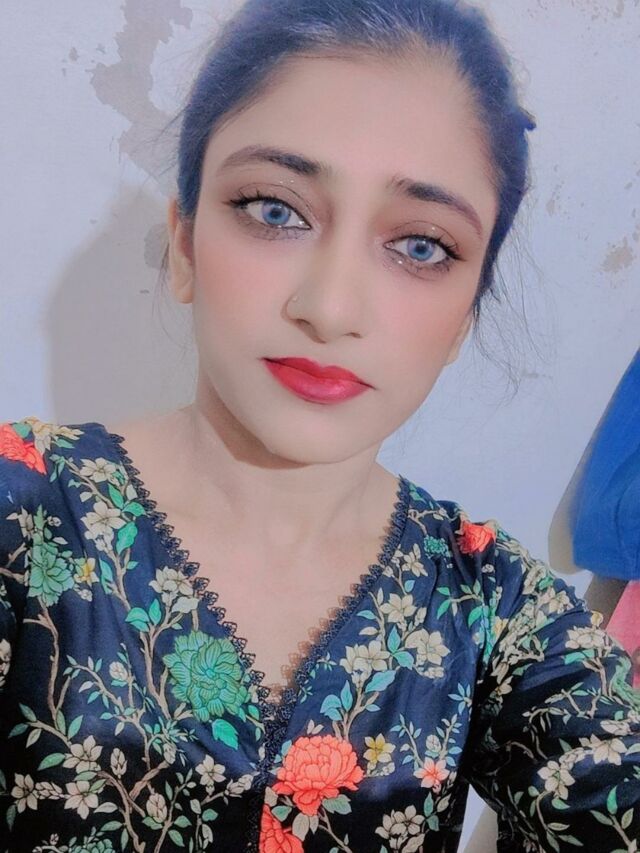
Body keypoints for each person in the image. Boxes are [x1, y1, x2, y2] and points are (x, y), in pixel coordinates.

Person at [1, 0, 638, 851]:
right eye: (275, 209)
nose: (331, 308)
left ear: (464, 320)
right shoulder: (22, 513)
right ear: (184, 244)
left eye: (422, 246)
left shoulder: (496, 609)